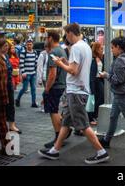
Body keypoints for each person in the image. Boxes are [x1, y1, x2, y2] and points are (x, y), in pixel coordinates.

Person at [38, 23, 110, 164]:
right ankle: (55, 150)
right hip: (78, 89)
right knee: (66, 122)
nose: (66, 38)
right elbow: (76, 66)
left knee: (82, 124)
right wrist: (64, 61)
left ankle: (101, 152)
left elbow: (73, 70)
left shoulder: (76, 47)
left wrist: (59, 64)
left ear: (71, 33)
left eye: (67, 35)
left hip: (76, 90)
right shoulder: (85, 47)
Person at [43, 31, 69, 149]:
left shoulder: (53, 52)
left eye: (46, 38)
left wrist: (47, 89)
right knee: (57, 110)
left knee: (53, 111)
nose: (45, 40)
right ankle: (64, 132)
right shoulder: (62, 50)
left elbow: (52, 74)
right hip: (62, 84)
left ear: (51, 38)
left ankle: (59, 138)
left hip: (55, 86)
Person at [0, 40, 21, 134]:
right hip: (1, 85)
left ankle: (12, 125)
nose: (7, 47)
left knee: (11, 104)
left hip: (9, 83)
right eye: (5, 46)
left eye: (8, 46)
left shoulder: (6, 56)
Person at [16, 39, 38, 108]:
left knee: (33, 89)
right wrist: (23, 72)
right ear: (26, 45)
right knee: (24, 88)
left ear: (32, 45)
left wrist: (36, 69)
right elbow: (21, 63)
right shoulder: (23, 52)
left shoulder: (35, 52)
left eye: (30, 44)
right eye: (28, 44)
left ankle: (33, 103)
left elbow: (36, 62)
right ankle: (17, 99)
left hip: (33, 73)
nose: (29, 46)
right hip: (26, 74)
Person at [88, 41, 104, 125]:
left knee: (100, 98)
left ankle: (95, 115)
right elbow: (92, 73)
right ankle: (91, 116)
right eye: (101, 48)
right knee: (93, 100)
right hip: (94, 81)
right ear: (97, 49)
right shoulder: (93, 59)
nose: (102, 50)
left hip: (100, 80)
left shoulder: (101, 58)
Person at [37, 42, 51, 112]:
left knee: (48, 91)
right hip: (45, 76)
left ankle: (44, 104)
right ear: (45, 47)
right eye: (48, 47)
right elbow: (40, 67)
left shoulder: (52, 53)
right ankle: (43, 104)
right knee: (47, 91)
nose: (50, 49)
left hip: (50, 75)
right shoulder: (43, 55)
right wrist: (39, 79)